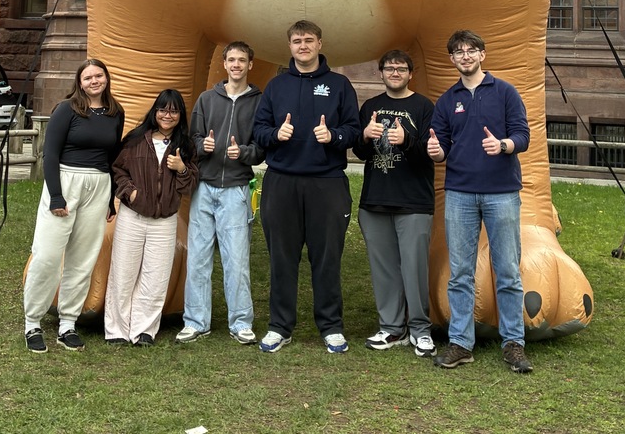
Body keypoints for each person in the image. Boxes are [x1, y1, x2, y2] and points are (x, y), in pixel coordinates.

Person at [428, 30, 533, 374]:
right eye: (458, 52)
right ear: (452, 60)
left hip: (501, 192)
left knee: (507, 270)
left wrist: (503, 145)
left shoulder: (505, 92)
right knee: (460, 272)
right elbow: (442, 147)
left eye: (471, 50)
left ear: (482, 55)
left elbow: (523, 136)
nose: (465, 56)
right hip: (459, 193)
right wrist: (436, 151)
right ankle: (461, 342)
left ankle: (513, 343)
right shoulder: (447, 100)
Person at [253, 20, 360, 354]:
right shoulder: (275, 86)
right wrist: (275, 135)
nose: (303, 46)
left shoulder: (339, 85)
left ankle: (330, 327)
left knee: (326, 257)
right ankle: (279, 327)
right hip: (282, 181)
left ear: (319, 44)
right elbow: (258, 131)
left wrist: (334, 137)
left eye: (308, 40)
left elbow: (354, 131)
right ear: (290, 47)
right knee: (282, 258)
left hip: (326, 182)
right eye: (297, 41)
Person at [23, 58, 125, 353]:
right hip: (66, 182)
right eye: (88, 77)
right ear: (79, 82)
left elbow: (112, 156)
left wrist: (110, 197)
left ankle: (68, 322)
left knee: (83, 257)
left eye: (99, 76)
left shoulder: (115, 112)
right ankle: (33, 322)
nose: (94, 81)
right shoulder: (66, 110)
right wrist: (56, 195)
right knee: (48, 255)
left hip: (99, 184)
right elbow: (50, 154)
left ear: (106, 78)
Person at [177, 42, 264, 345]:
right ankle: (195, 321)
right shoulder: (206, 99)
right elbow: (192, 140)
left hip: (237, 189)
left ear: (250, 65)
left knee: (236, 259)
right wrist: (203, 146)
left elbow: (262, 148)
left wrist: (245, 152)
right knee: (198, 257)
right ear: (224, 64)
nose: (236, 65)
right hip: (205, 186)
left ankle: (241, 322)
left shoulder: (259, 102)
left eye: (242, 60)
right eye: (231, 60)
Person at [354, 50, 436, 357]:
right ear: (381, 73)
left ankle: (420, 329)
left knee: (414, 269)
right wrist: (364, 135)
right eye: (389, 68)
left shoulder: (424, 106)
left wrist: (407, 140)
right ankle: (391, 328)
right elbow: (360, 153)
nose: (395, 72)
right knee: (384, 269)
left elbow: (432, 152)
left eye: (401, 68)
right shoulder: (372, 106)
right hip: (375, 199)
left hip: (413, 200)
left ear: (410, 73)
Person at [104, 89, 198, 346]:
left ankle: (144, 330)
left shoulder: (185, 146)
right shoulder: (135, 140)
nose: (168, 115)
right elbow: (117, 170)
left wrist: (182, 170)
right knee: (123, 272)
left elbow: (189, 186)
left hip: (165, 220)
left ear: (180, 115)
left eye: (174, 110)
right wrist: (130, 193)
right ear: (155, 112)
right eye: (163, 109)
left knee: (155, 276)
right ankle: (117, 330)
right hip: (132, 216)